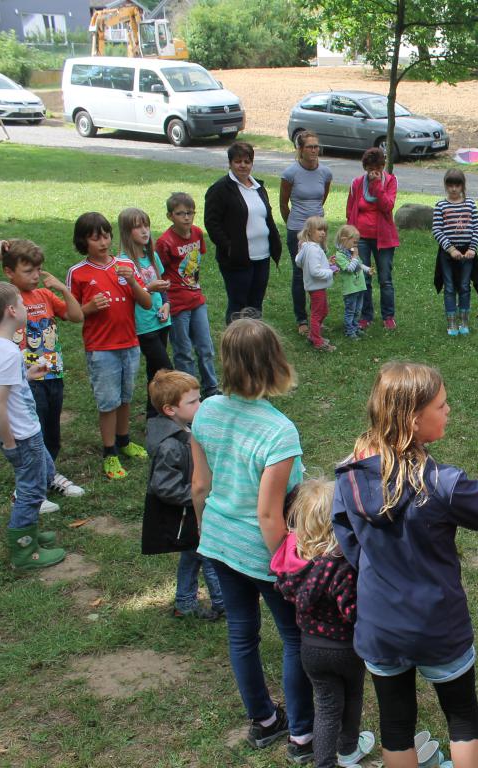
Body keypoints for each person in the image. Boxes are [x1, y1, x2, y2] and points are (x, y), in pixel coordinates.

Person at [331, 362, 478, 768]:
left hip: (380, 626)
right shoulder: (442, 483)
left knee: (396, 724)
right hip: (437, 625)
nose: (449, 410)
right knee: (462, 717)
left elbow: (349, 543)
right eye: (441, 405)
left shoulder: (348, 477)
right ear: (413, 419)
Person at [190, 318, 314, 762]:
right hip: (264, 550)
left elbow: (199, 486)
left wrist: (206, 533)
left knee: (242, 633)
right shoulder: (278, 431)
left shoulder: (206, 410)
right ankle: (302, 735)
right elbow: (267, 514)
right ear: (274, 361)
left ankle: (263, 721)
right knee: (294, 637)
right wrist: (288, 566)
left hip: (219, 542)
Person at [272, 478, 377, 768]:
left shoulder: (294, 562)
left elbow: (284, 589)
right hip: (345, 648)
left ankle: (324, 762)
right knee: (352, 696)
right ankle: (349, 749)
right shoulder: (342, 565)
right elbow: (352, 610)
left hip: (310, 649)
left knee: (326, 707)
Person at [0, 239, 85, 499]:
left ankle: (48, 475)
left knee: (51, 432)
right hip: (23, 381)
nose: (36, 275)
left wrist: (62, 289)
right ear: (9, 272)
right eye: (28, 271)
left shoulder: (45, 295)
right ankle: (27, 485)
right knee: (34, 433)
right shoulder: (8, 298)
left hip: (52, 375)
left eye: (38, 269)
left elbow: (77, 316)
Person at [0, 282, 66, 570]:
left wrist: (26, 375)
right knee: (31, 490)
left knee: (40, 477)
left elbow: (0, 386)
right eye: (22, 304)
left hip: (18, 431)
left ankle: (30, 533)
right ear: (11, 311)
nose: (26, 307)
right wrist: (11, 443)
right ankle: (25, 552)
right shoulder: (8, 353)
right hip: (21, 435)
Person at [66, 212, 153, 480]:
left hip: (130, 343)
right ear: (83, 242)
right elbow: (71, 314)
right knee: (108, 402)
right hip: (101, 349)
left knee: (126, 397)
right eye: (96, 239)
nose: (103, 243)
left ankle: (124, 440)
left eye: (106, 236)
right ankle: (109, 451)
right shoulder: (78, 273)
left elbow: (147, 302)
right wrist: (89, 307)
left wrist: (132, 281)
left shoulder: (125, 265)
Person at [142, 369, 224, 621]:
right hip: (187, 514)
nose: (200, 405)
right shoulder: (170, 445)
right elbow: (164, 486)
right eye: (193, 402)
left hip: (192, 511)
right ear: (170, 409)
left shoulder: (184, 429)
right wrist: (199, 497)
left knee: (193, 556)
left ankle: (185, 602)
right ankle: (223, 602)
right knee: (209, 556)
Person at [204, 142, 282, 323]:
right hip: (237, 259)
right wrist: (230, 247)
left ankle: (254, 337)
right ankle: (235, 338)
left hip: (262, 256)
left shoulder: (258, 187)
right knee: (238, 305)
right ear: (230, 163)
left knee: (255, 304)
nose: (243, 165)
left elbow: (266, 217)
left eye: (247, 161)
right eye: (238, 161)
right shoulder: (220, 189)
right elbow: (212, 223)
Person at [156, 192, 219, 398]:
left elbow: (195, 262)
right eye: (180, 213)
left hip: (196, 300)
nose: (186, 217)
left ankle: (211, 388)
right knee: (183, 353)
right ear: (170, 216)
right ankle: (190, 393)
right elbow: (158, 271)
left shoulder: (197, 234)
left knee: (205, 348)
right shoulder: (165, 242)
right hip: (176, 305)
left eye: (190, 213)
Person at [118, 207, 173, 418]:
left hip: (161, 320)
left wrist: (166, 304)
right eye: (138, 227)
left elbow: (162, 286)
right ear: (126, 232)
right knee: (166, 369)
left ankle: (153, 414)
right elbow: (127, 295)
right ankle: (169, 411)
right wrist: (149, 288)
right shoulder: (124, 263)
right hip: (143, 325)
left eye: (146, 225)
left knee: (155, 371)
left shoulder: (152, 256)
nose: (144, 231)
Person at [280, 130, 334, 338]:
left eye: (316, 146)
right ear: (300, 149)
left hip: (318, 231)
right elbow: (284, 204)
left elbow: (322, 197)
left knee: (318, 271)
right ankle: (301, 319)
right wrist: (296, 227)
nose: (314, 150)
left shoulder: (325, 173)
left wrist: (316, 226)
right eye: (309, 147)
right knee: (299, 274)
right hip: (298, 230)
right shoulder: (290, 173)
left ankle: (316, 318)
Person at [345, 146, 399, 331]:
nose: (372, 173)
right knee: (363, 277)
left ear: (382, 167)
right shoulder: (357, 183)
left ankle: (388, 316)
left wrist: (377, 186)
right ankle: (366, 315)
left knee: (385, 279)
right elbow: (350, 210)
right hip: (361, 238)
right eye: (369, 169)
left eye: (376, 169)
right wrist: (350, 238)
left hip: (384, 238)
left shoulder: (390, 181)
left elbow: (387, 206)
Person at [432, 169, 478, 337]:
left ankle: (464, 321)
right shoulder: (440, 206)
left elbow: (477, 227)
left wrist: (472, 248)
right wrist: (451, 249)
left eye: (457, 185)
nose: (454, 189)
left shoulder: (470, 204)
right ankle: (451, 322)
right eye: (450, 185)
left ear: (462, 186)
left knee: (464, 286)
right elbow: (437, 230)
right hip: (447, 254)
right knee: (449, 287)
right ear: (446, 186)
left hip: (467, 252)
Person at [294, 216, 336, 352]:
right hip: (316, 287)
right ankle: (317, 340)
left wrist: (327, 263)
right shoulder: (313, 249)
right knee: (317, 314)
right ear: (310, 231)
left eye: (324, 230)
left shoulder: (308, 247)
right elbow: (315, 271)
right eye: (319, 229)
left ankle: (314, 335)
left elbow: (302, 262)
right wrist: (330, 271)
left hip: (317, 286)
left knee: (323, 311)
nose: (323, 233)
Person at [332, 224, 373, 340]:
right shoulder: (339, 255)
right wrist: (355, 256)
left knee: (358, 309)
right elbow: (350, 269)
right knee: (350, 310)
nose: (356, 245)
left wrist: (367, 269)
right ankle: (349, 330)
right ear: (344, 240)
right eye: (354, 242)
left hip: (359, 286)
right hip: (350, 289)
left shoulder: (351, 252)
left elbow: (359, 264)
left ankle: (355, 327)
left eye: (357, 242)